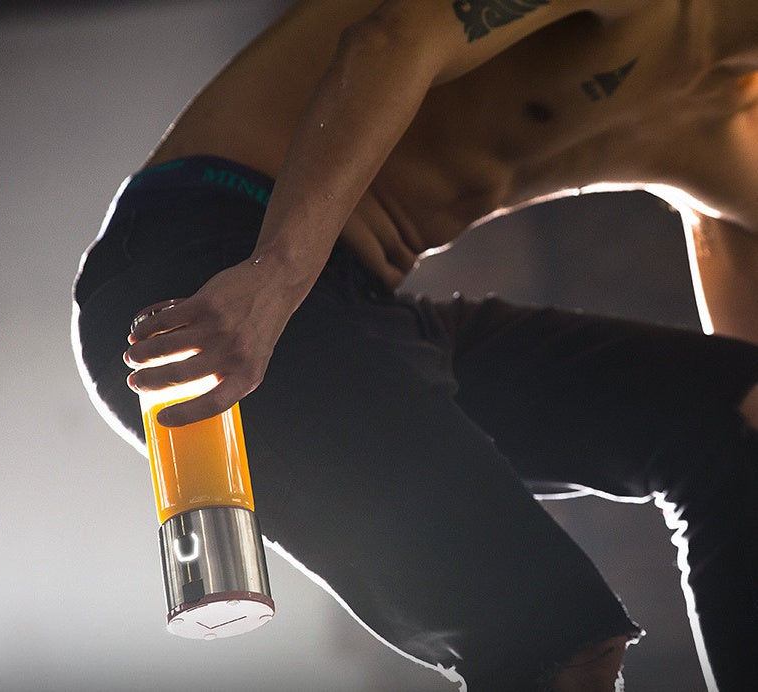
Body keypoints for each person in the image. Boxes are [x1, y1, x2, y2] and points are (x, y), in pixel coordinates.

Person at [72, 1, 758, 689]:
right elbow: (392, 38)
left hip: (358, 304)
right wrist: (274, 275)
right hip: (203, 258)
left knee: (734, 421)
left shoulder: (733, 139)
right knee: (551, 640)